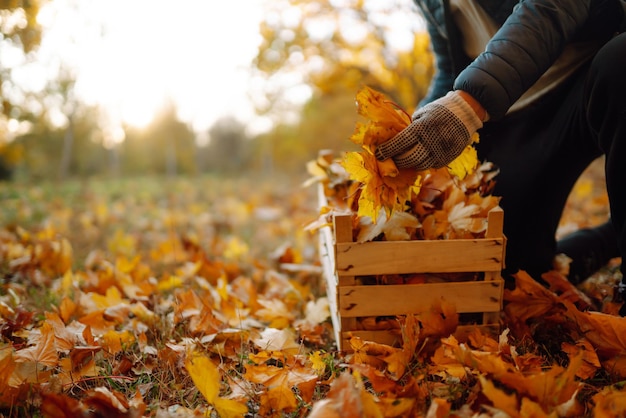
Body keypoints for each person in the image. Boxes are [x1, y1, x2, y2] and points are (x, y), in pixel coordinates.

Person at [374, 0, 626, 314]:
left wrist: (467, 105)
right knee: (510, 274)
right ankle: (610, 238)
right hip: (511, 114)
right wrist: (418, 126)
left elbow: (551, 7)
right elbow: (450, 66)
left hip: (588, 81)